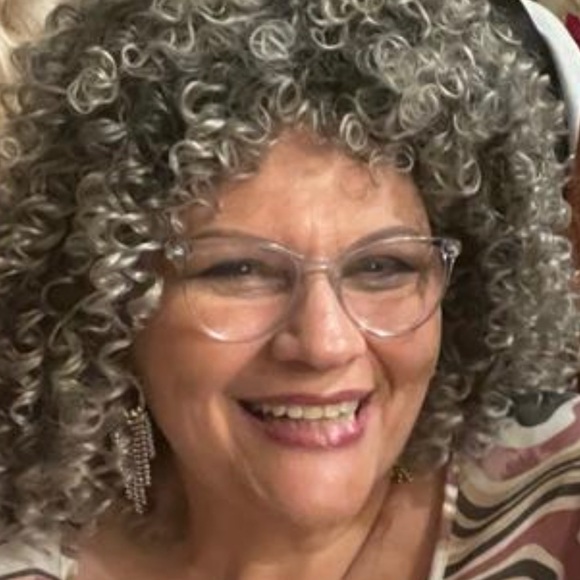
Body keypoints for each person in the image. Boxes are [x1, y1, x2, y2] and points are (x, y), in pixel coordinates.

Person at [0, 0, 580, 578]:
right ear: (110, 304)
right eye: (238, 271)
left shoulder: (554, 496)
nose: (325, 343)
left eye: (383, 266)